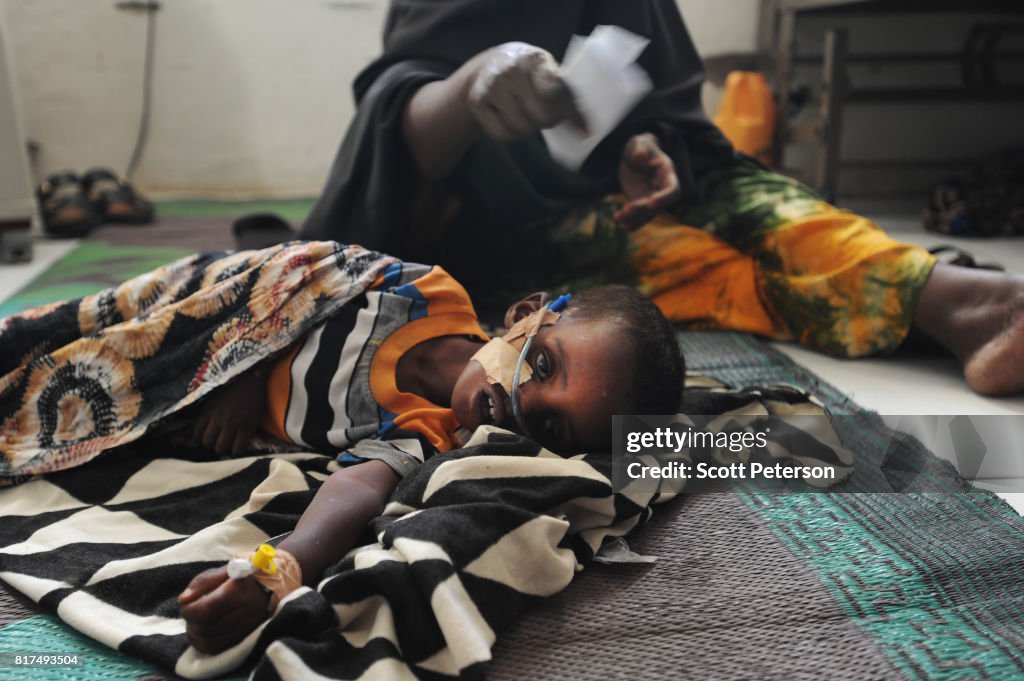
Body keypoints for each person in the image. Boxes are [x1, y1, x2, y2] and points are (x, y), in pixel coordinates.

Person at [261, 0, 1024, 397]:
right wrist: (474, 82)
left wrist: (644, 147)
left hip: (606, 189)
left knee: (750, 195)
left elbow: (658, 105)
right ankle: (939, 302)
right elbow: (400, 133)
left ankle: (972, 302)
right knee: (697, 264)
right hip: (492, 227)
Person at [171, 267, 682, 654]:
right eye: (544, 363)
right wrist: (245, 369)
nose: (523, 399)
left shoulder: (434, 435)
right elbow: (302, 275)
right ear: (527, 314)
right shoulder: (426, 294)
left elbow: (360, 488)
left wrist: (281, 568)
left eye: (550, 426)